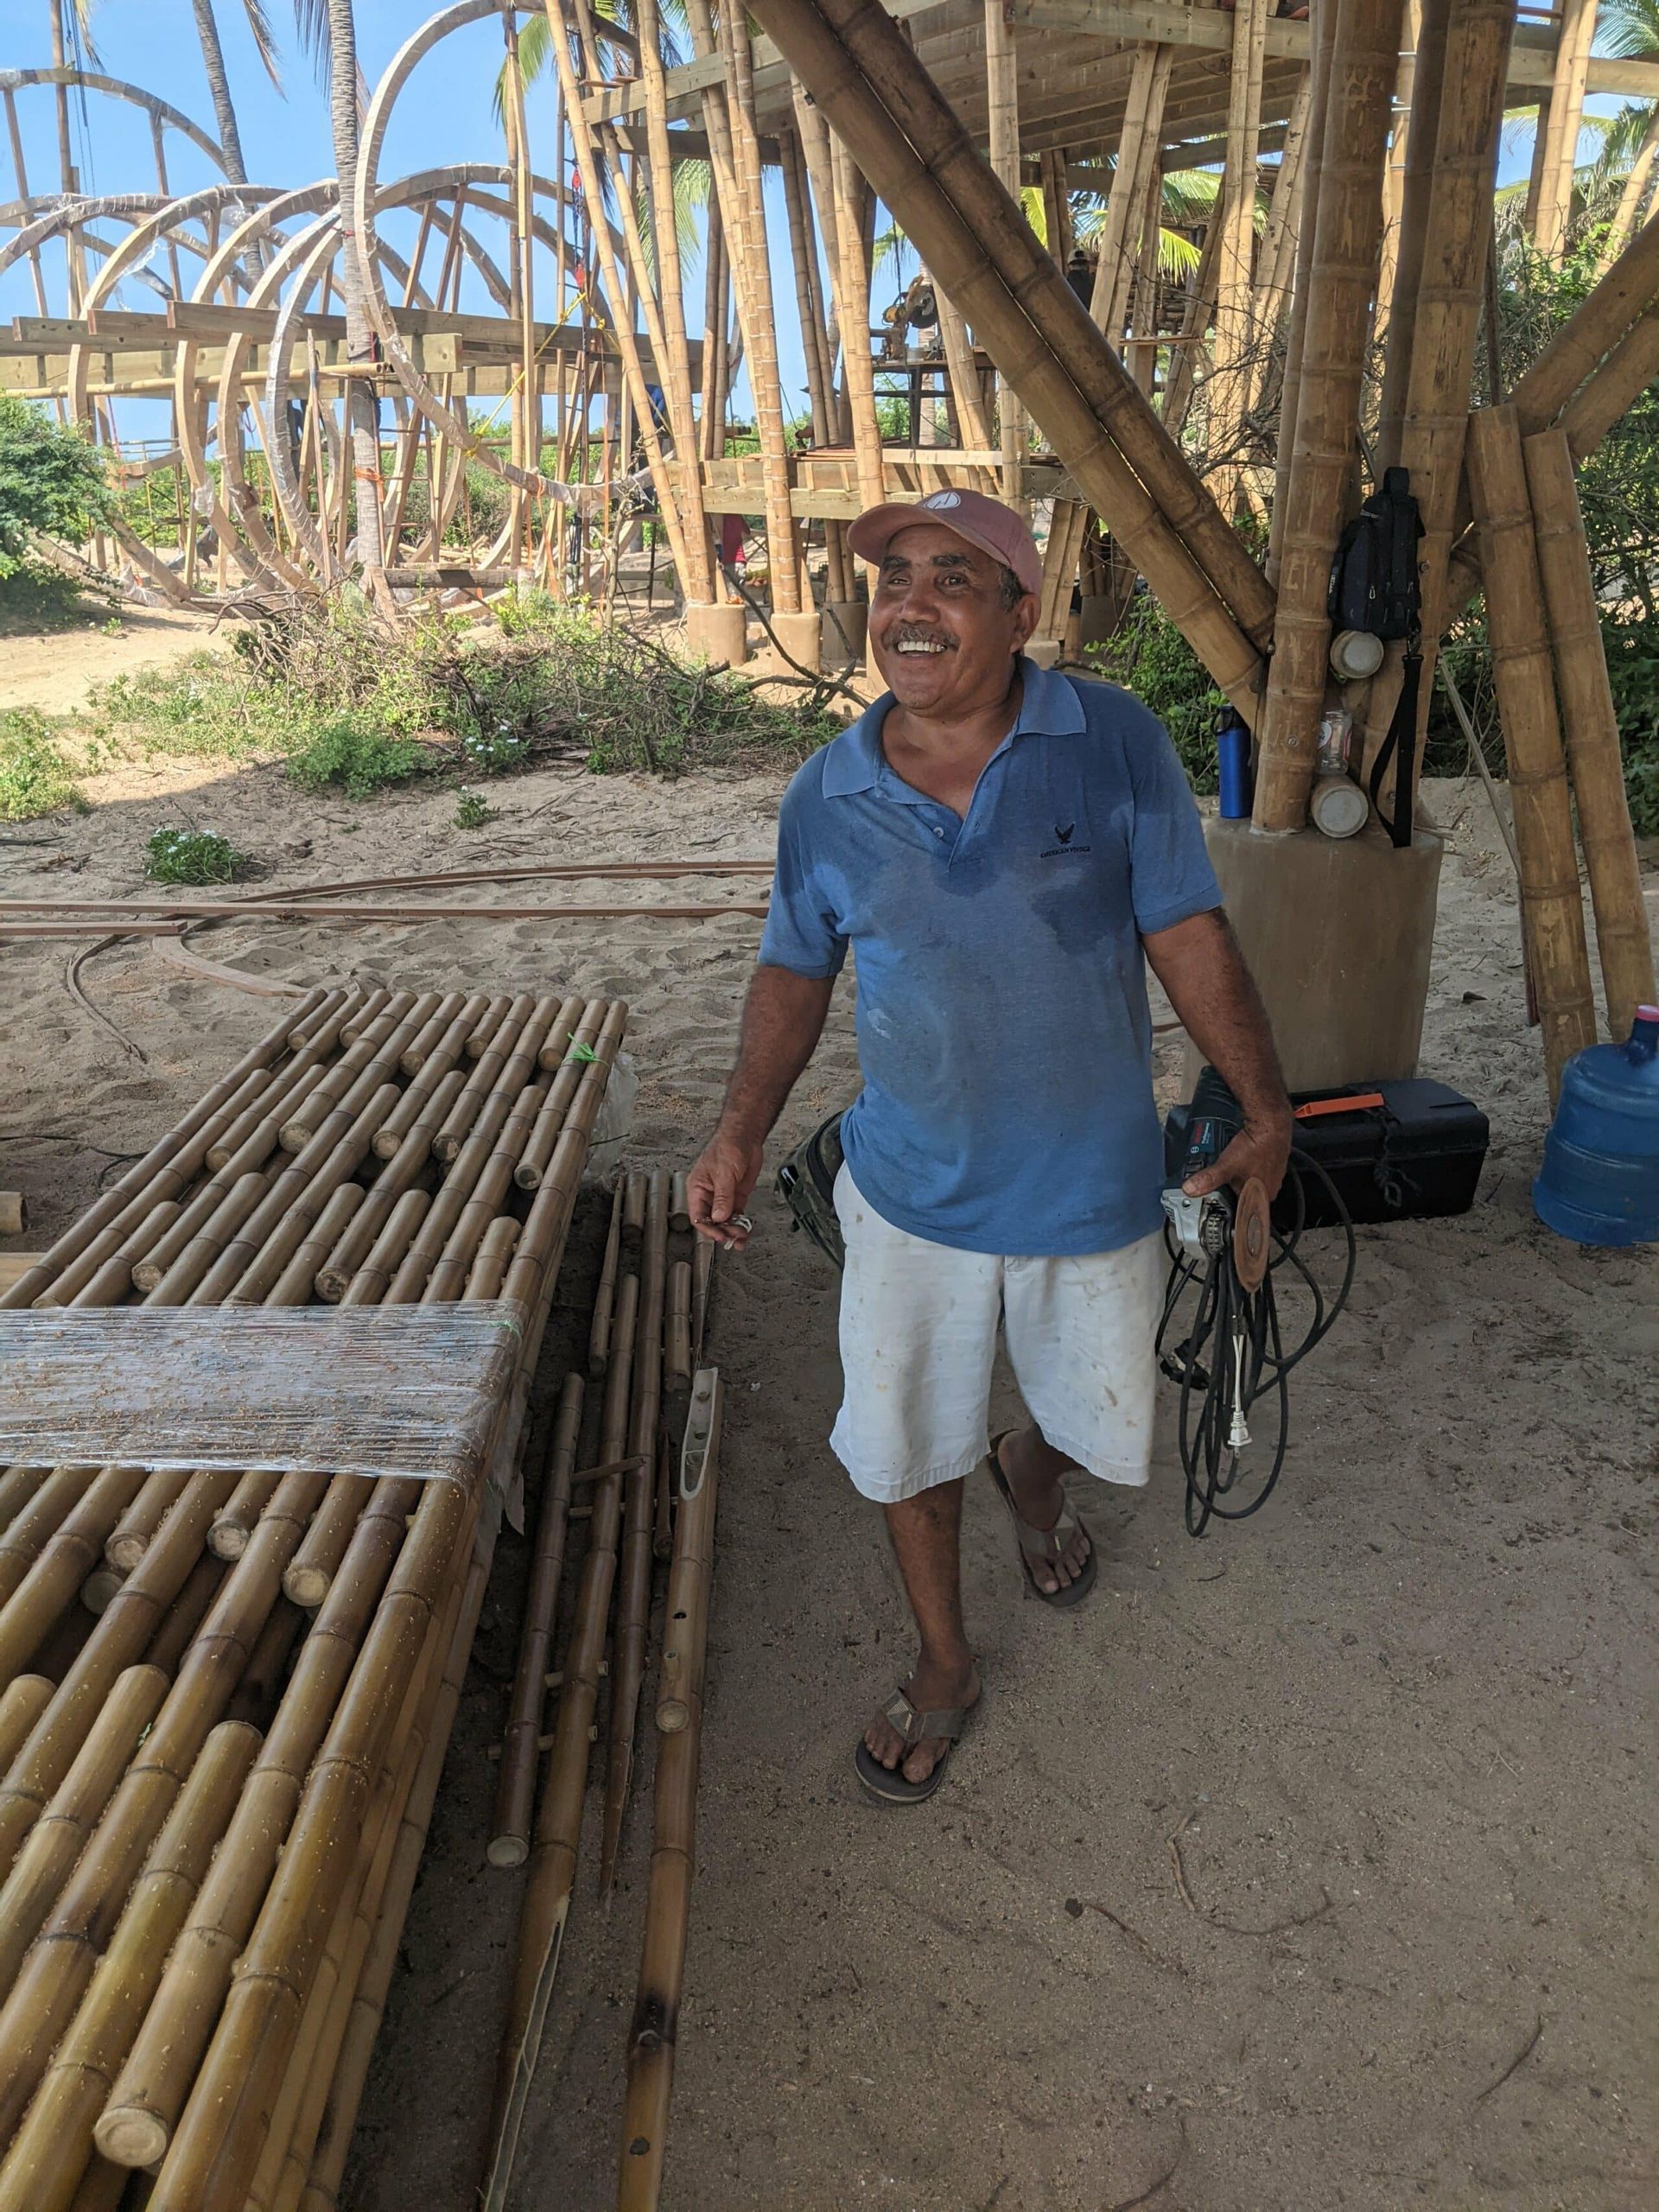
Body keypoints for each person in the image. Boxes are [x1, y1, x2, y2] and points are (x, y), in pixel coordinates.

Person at [686, 488, 1291, 1807]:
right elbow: (794, 972)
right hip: (912, 1195)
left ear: (1021, 617)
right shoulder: (827, 795)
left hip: (1092, 1188)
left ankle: (1035, 1470)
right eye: (894, 578)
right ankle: (946, 1660)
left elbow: (1185, 929)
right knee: (908, 1439)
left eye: (953, 579)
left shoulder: (1110, 741)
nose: (911, 605)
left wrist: (1266, 1110)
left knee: (1100, 1416)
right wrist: (737, 1132)